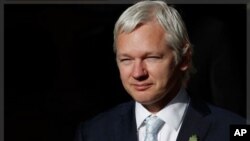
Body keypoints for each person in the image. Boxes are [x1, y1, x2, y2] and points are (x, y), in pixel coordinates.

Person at [74, 1, 245, 141]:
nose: (138, 73)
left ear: (184, 59)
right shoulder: (93, 133)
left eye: (151, 58)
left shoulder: (232, 130)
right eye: (126, 60)